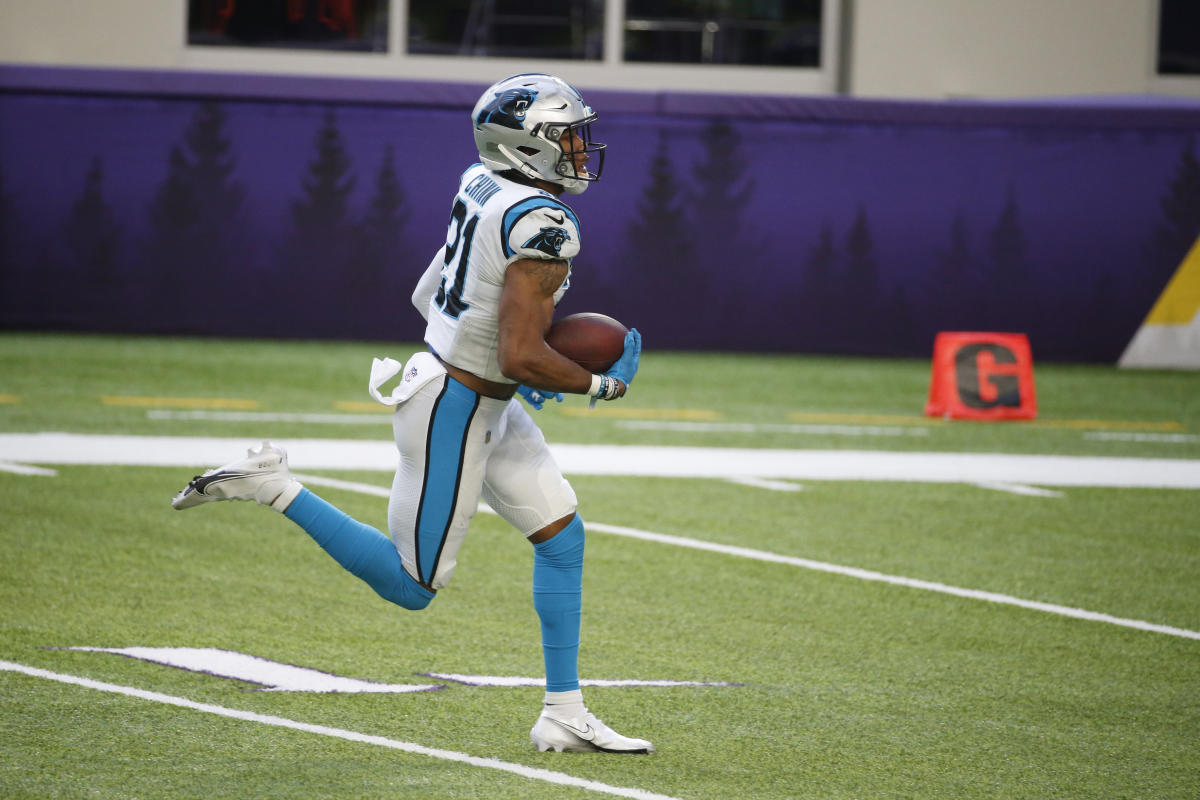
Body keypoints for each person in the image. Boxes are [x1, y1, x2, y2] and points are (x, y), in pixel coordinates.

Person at [171, 73, 651, 754]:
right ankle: (272, 485)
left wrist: (506, 362)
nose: (579, 148)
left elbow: (429, 295)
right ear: (525, 144)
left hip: (469, 391)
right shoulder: (545, 223)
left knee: (562, 538)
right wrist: (593, 384)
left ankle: (564, 711)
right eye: (565, 136)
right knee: (412, 586)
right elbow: (518, 353)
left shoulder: (482, 183)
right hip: (454, 407)